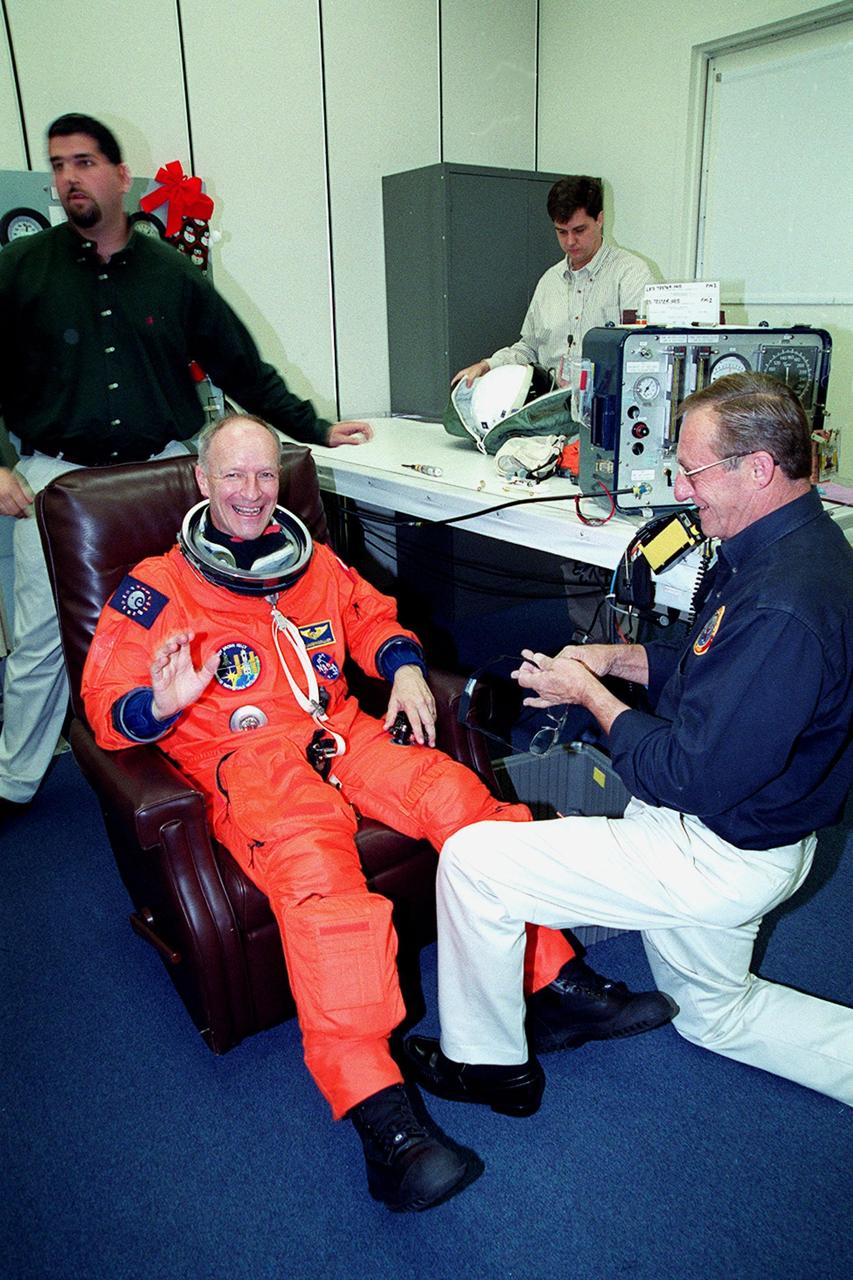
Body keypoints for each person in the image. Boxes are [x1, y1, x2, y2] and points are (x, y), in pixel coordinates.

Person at [81, 413, 676, 1210]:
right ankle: (382, 1119)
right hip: (248, 763)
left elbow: (368, 618)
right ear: (201, 480)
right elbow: (103, 707)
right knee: (323, 885)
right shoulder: (158, 587)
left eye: (265, 476)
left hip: (340, 733)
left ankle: (555, 983)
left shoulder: (311, 560)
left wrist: (400, 668)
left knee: (464, 801)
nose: (253, 493)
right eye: (233, 476)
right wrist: (159, 704)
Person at [404, 372, 853, 1112]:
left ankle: (487, 1068)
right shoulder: (792, 550)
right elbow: (715, 677)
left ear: (758, 468)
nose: (681, 487)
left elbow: (684, 774)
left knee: (473, 864)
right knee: (715, 1016)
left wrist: (591, 696)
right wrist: (616, 660)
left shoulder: (784, 601)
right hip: (758, 833)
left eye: (693, 469)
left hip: (712, 848)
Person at [0, 112, 371, 817]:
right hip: (55, 476)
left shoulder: (172, 274)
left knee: (199, 609)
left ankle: (202, 740)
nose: (68, 178)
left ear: (117, 175)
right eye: (57, 165)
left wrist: (316, 427)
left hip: (163, 471)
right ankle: (13, 782)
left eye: (83, 162)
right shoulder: (19, 270)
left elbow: (242, 368)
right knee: (41, 640)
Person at [453, 175, 654, 387]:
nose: (570, 241)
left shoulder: (631, 275)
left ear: (600, 219)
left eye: (579, 230)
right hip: (553, 407)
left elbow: (642, 354)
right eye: (561, 232)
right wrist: (488, 365)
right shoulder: (549, 282)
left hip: (606, 408)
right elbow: (528, 349)